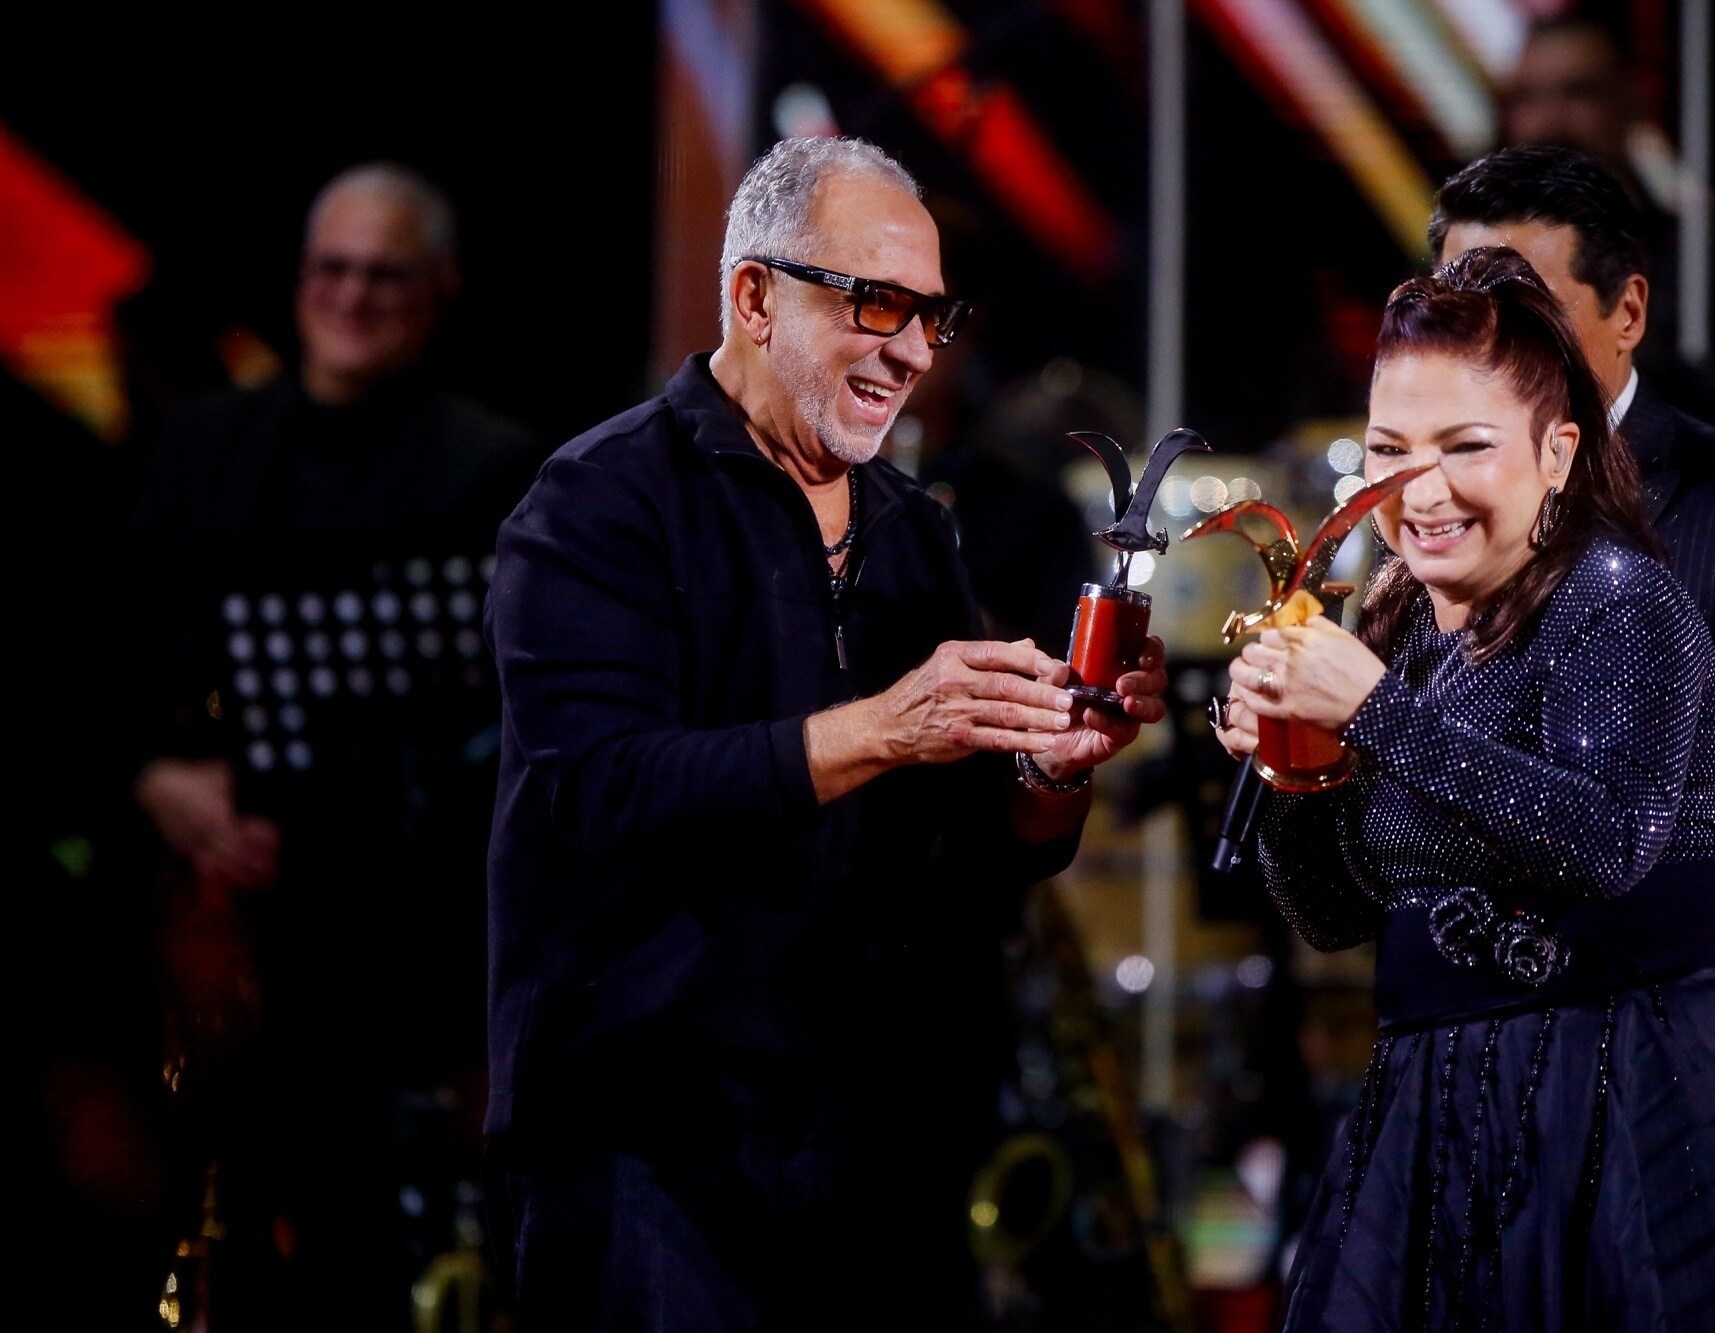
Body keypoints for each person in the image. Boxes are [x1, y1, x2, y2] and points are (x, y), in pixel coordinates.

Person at [483, 136, 1168, 1329]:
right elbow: (599, 787)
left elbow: (979, 845)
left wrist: (1049, 770)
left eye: (931, 314)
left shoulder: (912, 532)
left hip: (879, 1145)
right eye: (875, 303)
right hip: (649, 1146)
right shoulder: (598, 501)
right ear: (754, 296)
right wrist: (884, 729)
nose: (913, 350)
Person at [1213, 248, 1715, 1328]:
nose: (1418, 489)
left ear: (1557, 451)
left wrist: (1377, 715)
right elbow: (1332, 914)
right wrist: (1290, 767)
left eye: (1465, 446)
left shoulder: (1622, 601)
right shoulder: (1395, 627)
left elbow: (1606, 838)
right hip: (1435, 1104)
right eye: (1389, 450)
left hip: (1634, 1100)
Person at [125, 162, 540, 1326]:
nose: (351, 296)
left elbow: (509, 733)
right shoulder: (202, 446)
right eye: (331, 269)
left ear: (440, 291)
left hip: (394, 954)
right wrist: (157, 780)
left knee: (362, 1262)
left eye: (383, 275)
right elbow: (111, 657)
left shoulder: (496, 468)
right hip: (203, 931)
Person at [1427, 145, 1715, 1110]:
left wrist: (1713, 1085)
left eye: (1530, 309)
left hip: (1676, 1111)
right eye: (1463, 313)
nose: (1491, 348)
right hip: (1462, 1099)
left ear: (1628, 311)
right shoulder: (1423, 526)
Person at [1502, 13, 1715, 445]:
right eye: (1527, 99)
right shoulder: (1470, 263)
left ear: (1631, 101)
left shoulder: (1711, 254)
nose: (1551, 122)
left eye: (1579, 93)